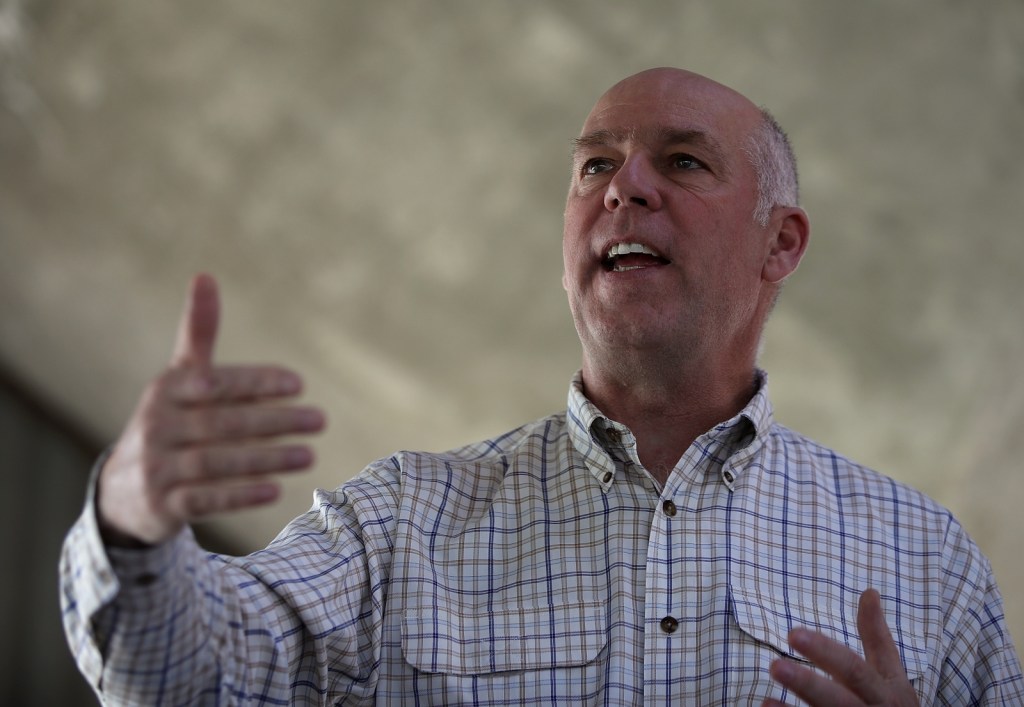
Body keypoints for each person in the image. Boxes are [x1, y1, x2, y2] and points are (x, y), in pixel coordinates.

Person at [60, 67, 1023, 705]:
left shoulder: (925, 561)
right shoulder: (400, 523)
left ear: (781, 242)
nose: (623, 186)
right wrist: (131, 517)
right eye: (595, 164)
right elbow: (190, 678)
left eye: (682, 161)